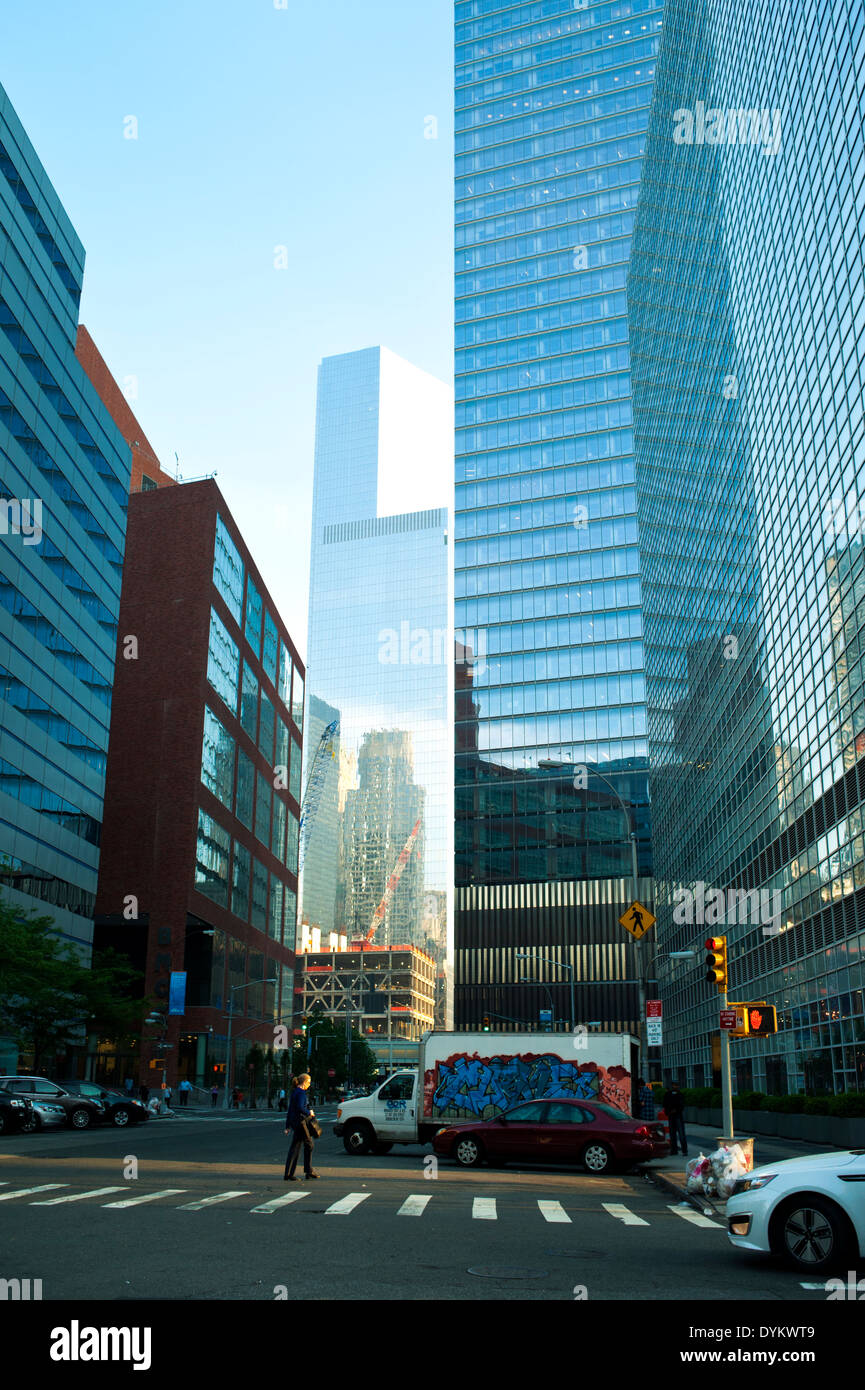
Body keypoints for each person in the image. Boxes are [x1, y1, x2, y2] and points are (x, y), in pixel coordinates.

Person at [284, 1074, 319, 1181]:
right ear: (304, 1082)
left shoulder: (295, 1092)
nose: (309, 1084)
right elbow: (300, 1107)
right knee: (309, 1144)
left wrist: (288, 1125)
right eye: (309, 1082)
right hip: (301, 1123)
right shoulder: (301, 1093)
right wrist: (310, 1112)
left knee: (296, 1147)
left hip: (295, 1123)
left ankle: (290, 1173)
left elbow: (290, 1110)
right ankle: (307, 1171)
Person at [662, 1082, 687, 1156]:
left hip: (674, 1115)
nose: (675, 1087)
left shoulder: (669, 1094)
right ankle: (681, 1150)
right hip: (676, 1115)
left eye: (676, 1085)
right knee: (678, 1133)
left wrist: (669, 1111)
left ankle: (676, 1150)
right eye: (674, 1085)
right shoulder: (679, 1094)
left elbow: (665, 1104)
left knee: (674, 1134)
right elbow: (681, 1105)